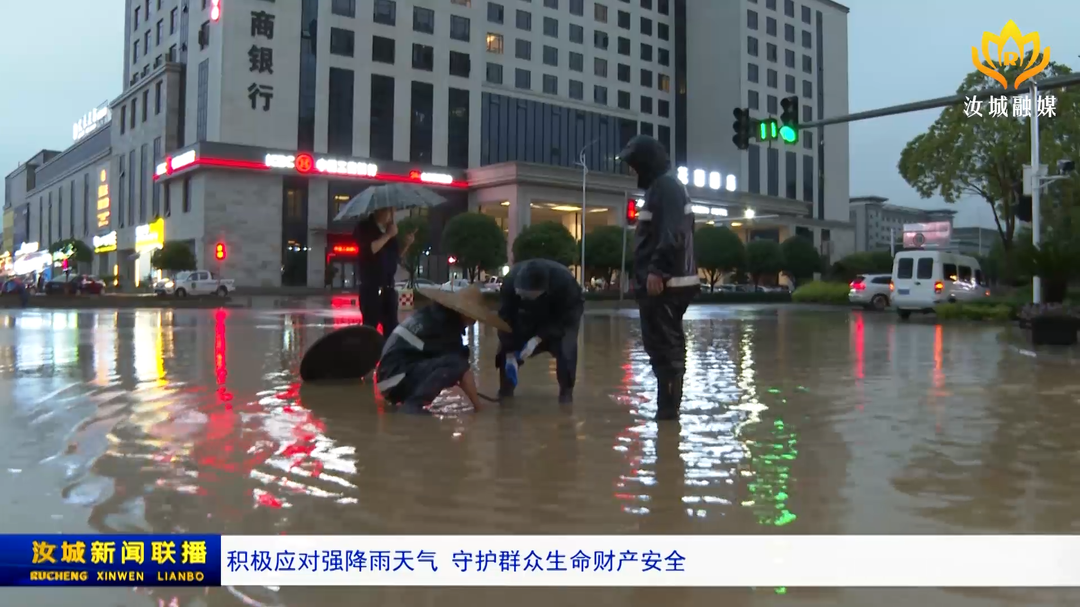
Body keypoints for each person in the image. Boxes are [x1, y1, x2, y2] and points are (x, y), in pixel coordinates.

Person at [618, 134, 699, 421]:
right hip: (664, 284)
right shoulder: (661, 187)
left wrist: (657, 270)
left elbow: (673, 231)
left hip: (667, 285)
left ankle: (668, 414)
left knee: (665, 347)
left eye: (634, 165)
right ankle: (666, 411)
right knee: (662, 346)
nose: (631, 171)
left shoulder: (666, 186)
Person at [376, 284, 510, 415]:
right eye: (474, 316)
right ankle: (413, 405)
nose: (475, 321)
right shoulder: (445, 328)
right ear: (463, 312)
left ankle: (410, 402)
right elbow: (462, 368)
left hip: (388, 378)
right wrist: (479, 408)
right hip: (395, 379)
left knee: (453, 364)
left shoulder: (431, 315)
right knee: (456, 364)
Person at [496, 259, 584, 404]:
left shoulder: (565, 283)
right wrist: (510, 350)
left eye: (526, 296)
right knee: (505, 350)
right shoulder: (510, 282)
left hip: (560, 318)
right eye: (520, 294)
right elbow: (504, 318)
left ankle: (566, 395)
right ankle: (505, 393)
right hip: (524, 316)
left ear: (543, 291)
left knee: (566, 348)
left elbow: (567, 319)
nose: (521, 297)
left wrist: (537, 339)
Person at [354, 208, 415, 335]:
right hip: (371, 288)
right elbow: (369, 250)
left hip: (389, 288)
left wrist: (407, 244)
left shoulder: (391, 231)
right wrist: (387, 235)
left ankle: (389, 353)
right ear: (379, 211)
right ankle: (370, 353)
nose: (392, 215)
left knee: (392, 328)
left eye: (393, 211)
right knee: (370, 329)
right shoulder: (364, 227)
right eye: (389, 211)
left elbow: (395, 256)